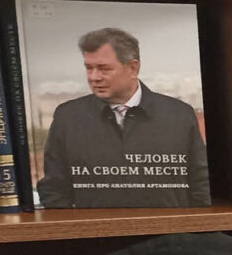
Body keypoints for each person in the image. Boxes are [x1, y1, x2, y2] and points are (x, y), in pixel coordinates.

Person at [36, 27, 208, 208]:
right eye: (89, 68)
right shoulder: (68, 117)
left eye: (104, 69)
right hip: (96, 227)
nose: (94, 77)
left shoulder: (179, 115)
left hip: (171, 226)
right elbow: (54, 190)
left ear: (133, 68)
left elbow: (201, 184)